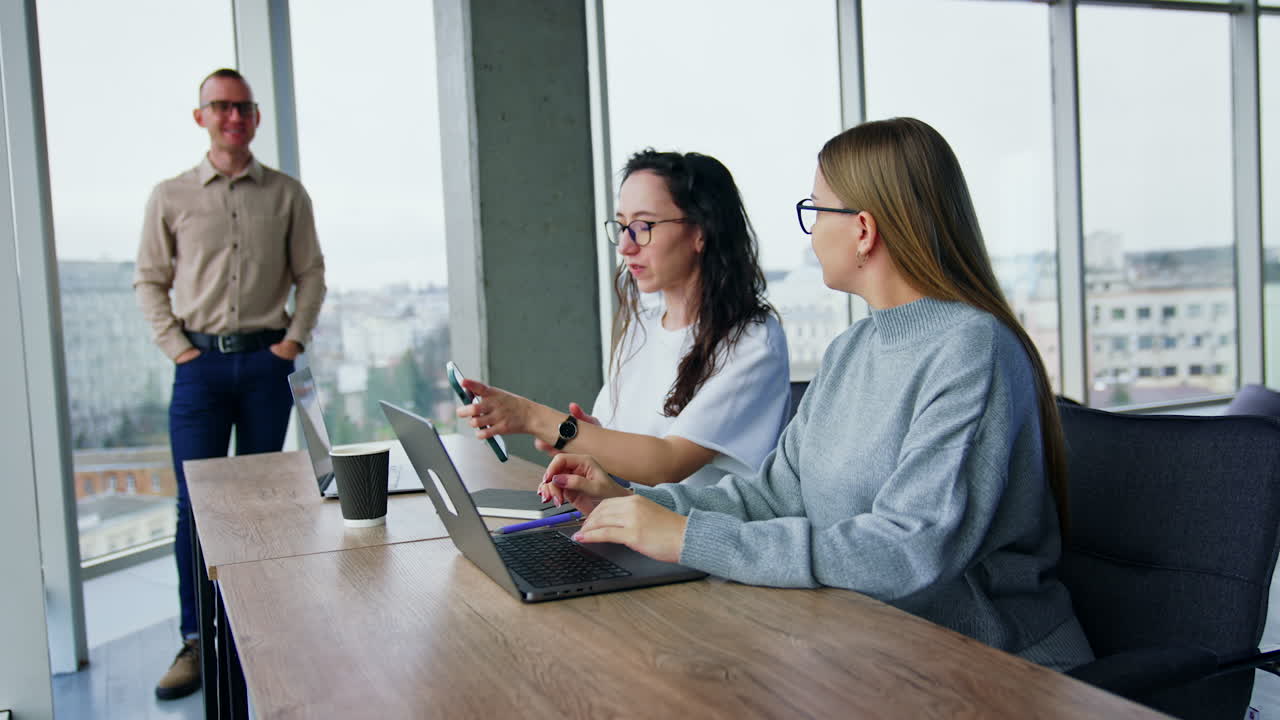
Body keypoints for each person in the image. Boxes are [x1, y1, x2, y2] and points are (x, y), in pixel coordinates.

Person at [539, 118, 1095, 672]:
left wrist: (689, 538)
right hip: (867, 644)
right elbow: (775, 496)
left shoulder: (973, 350)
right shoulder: (852, 348)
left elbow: (909, 550)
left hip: (990, 666)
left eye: (815, 209)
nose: (808, 232)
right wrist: (632, 505)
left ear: (863, 230)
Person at [135, 68, 326, 700]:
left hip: (267, 366)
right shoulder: (171, 195)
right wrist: (178, 351)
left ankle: (257, 633)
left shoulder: (287, 194)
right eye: (220, 107)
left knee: (265, 505)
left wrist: (291, 344)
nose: (233, 117)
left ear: (256, 117)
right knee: (195, 505)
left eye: (243, 107)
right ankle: (197, 640)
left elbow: (312, 274)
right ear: (201, 117)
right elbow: (149, 281)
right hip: (200, 371)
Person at [456, 150, 789, 487]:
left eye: (644, 226)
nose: (626, 247)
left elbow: (666, 463)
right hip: (631, 525)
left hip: (692, 535)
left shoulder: (752, 343)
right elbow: (629, 462)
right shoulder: (641, 327)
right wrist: (587, 440)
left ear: (700, 232)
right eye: (622, 226)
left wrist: (532, 417)